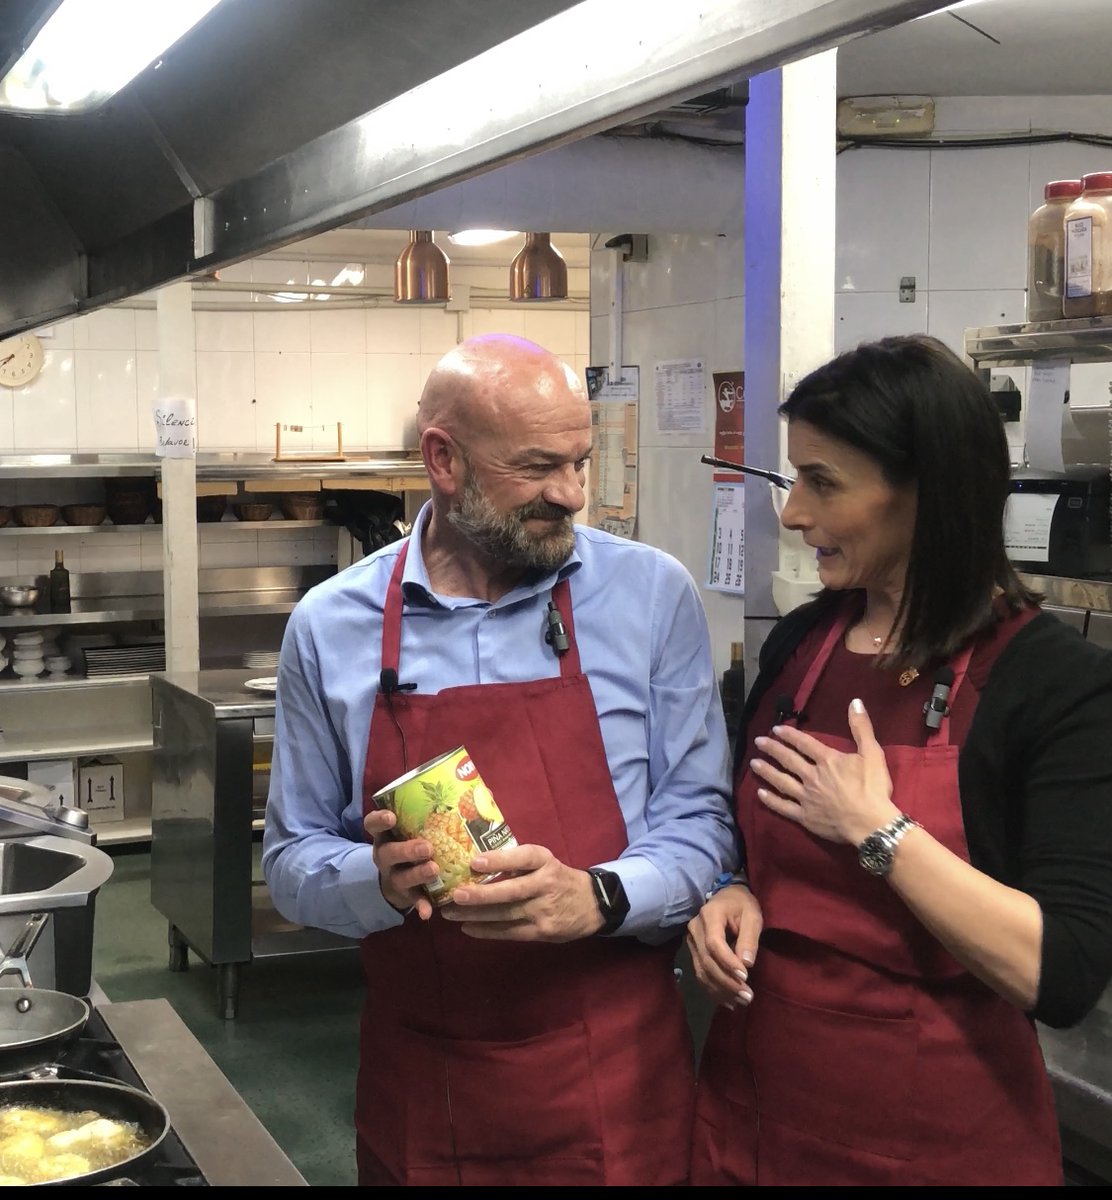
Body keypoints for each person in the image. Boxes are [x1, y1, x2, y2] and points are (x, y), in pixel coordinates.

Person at [262, 332, 737, 1187]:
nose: (572, 494)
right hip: (426, 1086)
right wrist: (377, 878)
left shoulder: (651, 596)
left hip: (615, 1082)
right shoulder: (331, 626)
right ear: (442, 460)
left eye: (582, 462)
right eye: (537, 468)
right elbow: (291, 861)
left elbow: (704, 826)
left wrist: (598, 896)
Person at [686, 334, 1112, 1187]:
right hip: (756, 1114)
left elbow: (1060, 969)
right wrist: (729, 890)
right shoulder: (804, 642)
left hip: (939, 1134)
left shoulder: (1054, 683)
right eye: (794, 477)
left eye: (824, 482)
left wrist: (879, 831)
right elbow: (746, 835)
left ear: (929, 494)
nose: (793, 512)